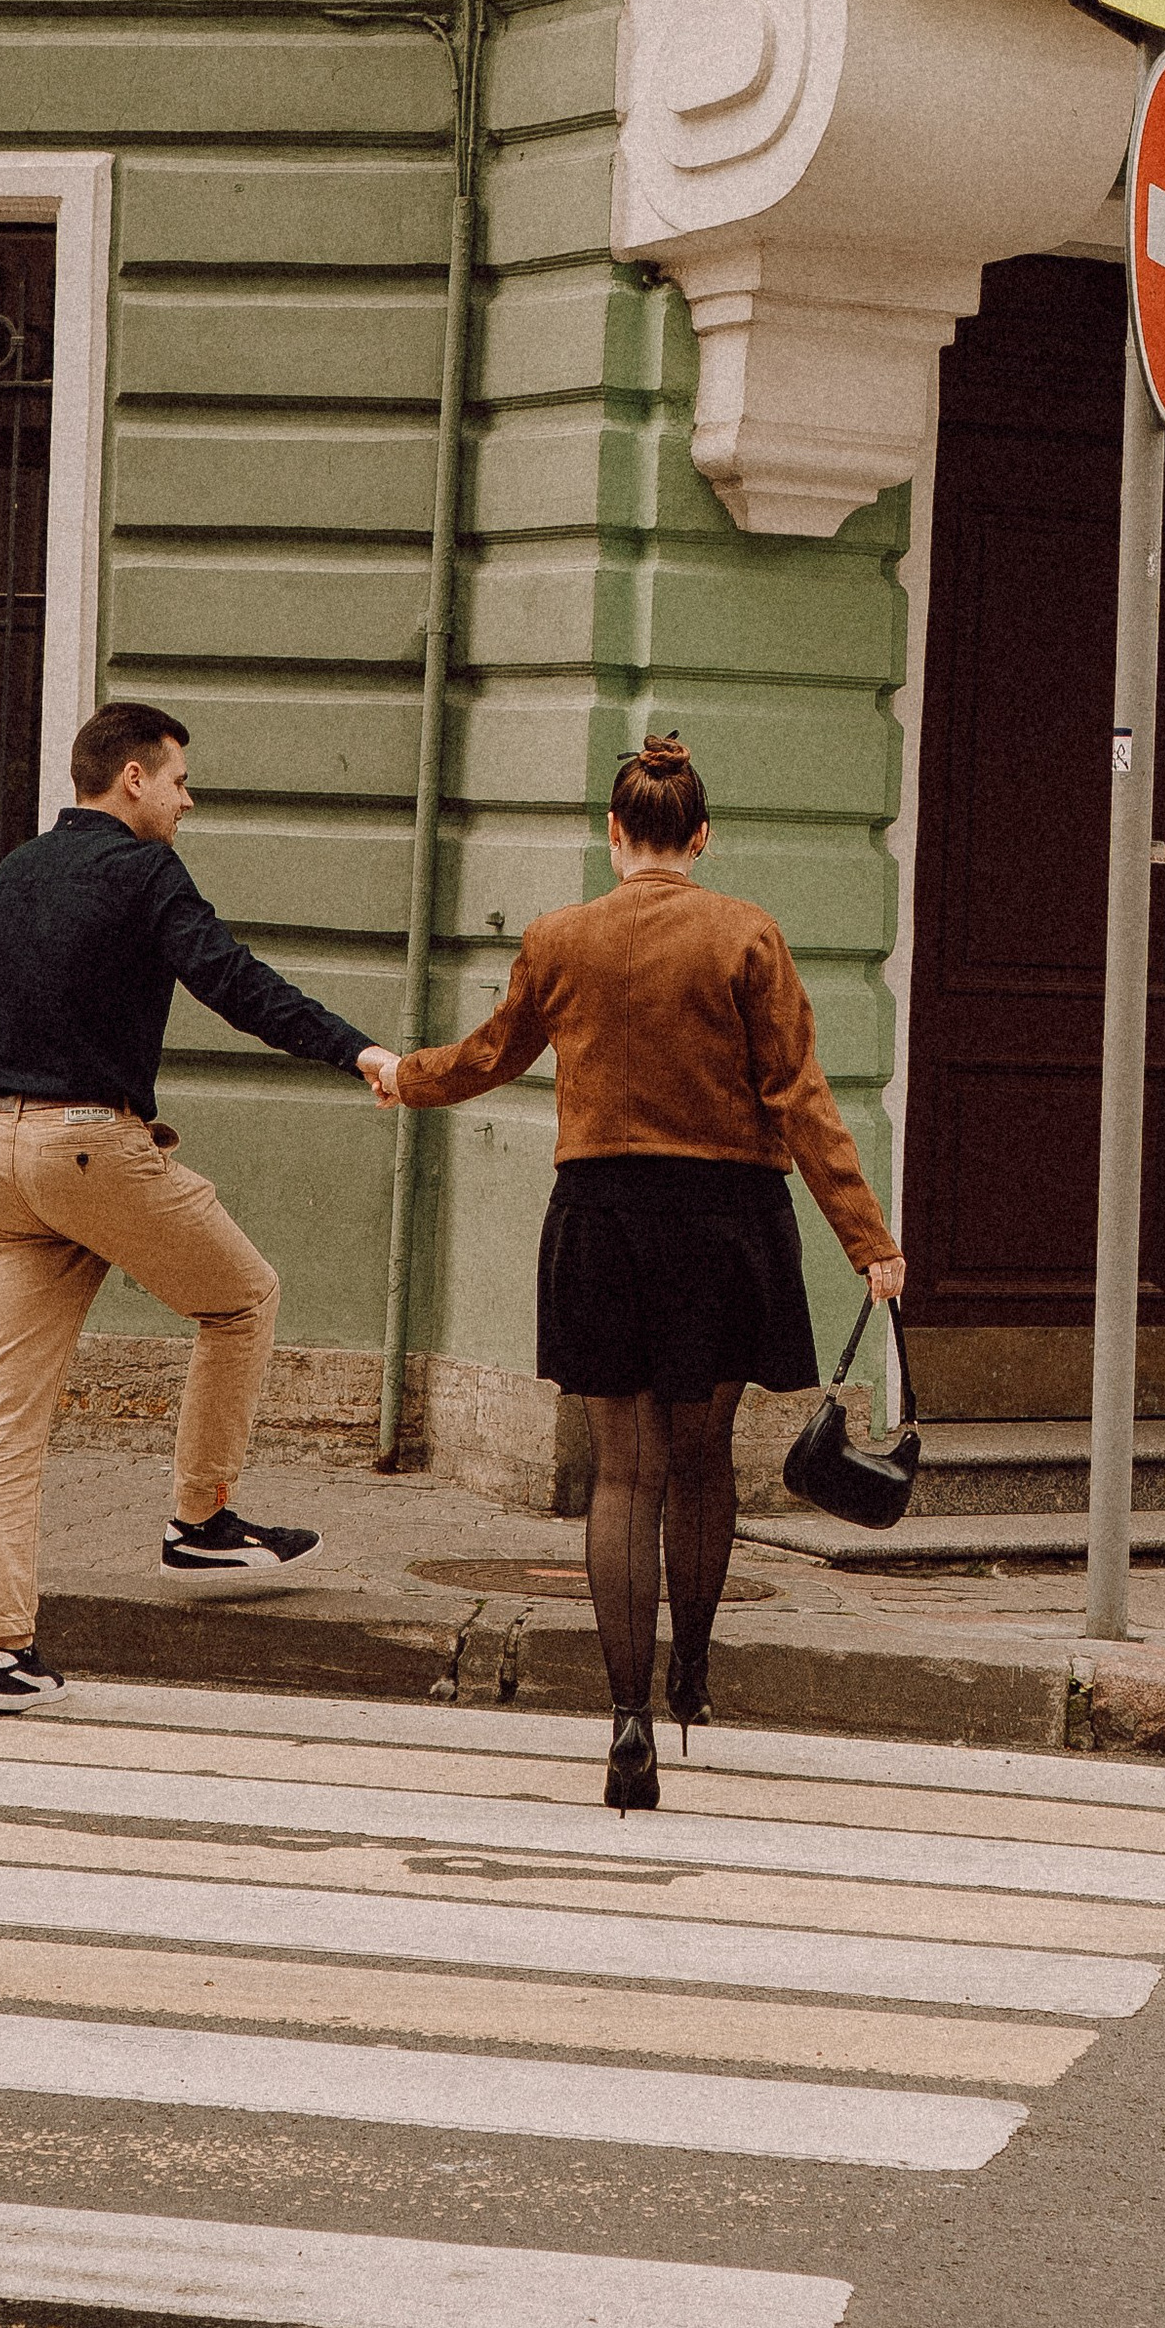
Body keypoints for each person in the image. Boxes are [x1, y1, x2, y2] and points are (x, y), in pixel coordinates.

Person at [387, 735, 903, 1811]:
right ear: (700, 837)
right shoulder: (746, 935)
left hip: (604, 1218)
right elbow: (800, 1097)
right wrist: (869, 1240)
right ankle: (694, 1675)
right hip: (724, 1224)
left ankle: (625, 1719)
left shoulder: (559, 937)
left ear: (613, 834)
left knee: (625, 1471)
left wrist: (405, 1077)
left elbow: (489, 1056)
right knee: (704, 1461)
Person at [0, 700, 397, 1709]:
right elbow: (231, 980)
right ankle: (200, 1526)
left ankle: (5, 1656)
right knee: (240, 1299)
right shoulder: (143, 869)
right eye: (180, 781)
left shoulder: (18, 870)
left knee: (6, 1417)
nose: (188, 801)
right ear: (131, 780)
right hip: (86, 1144)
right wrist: (357, 1049)